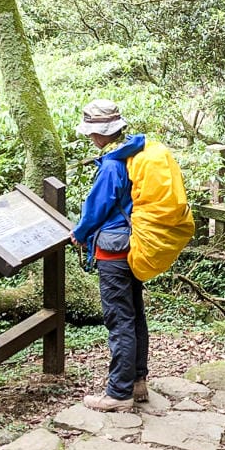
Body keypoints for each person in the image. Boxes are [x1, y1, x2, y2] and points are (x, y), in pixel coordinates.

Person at [70, 99, 150, 412]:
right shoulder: (131, 153)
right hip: (135, 244)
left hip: (113, 249)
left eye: (92, 132)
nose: (90, 137)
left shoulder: (112, 165)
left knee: (119, 319)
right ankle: (137, 381)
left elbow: (96, 209)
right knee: (135, 314)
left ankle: (118, 394)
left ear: (103, 133)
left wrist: (79, 232)